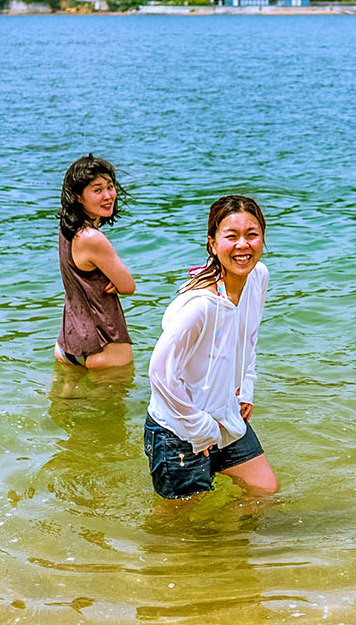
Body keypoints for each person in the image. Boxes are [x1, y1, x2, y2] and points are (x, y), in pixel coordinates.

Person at [144, 195, 279, 499]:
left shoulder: (258, 277)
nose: (243, 245)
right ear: (213, 244)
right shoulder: (200, 305)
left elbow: (249, 336)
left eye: (252, 234)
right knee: (179, 528)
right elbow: (160, 373)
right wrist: (200, 428)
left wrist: (245, 389)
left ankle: (232, 546)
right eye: (231, 236)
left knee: (264, 491)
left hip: (224, 416)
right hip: (178, 429)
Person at [54, 154, 136, 370]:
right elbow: (128, 287)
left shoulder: (68, 228)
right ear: (79, 197)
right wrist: (115, 280)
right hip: (105, 351)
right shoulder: (92, 238)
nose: (108, 195)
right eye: (97, 190)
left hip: (67, 345)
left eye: (110, 186)